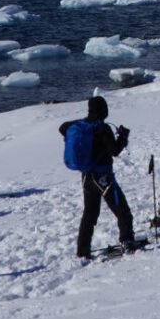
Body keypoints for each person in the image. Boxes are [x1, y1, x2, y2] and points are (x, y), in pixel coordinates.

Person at [59, 95, 137, 259]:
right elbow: (114, 150)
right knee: (123, 211)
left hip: (87, 177)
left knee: (89, 214)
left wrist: (82, 123)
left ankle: (82, 251)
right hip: (102, 177)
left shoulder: (81, 125)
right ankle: (128, 242)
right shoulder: (102, 128)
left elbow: (62, 127)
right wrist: (122, 137)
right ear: (104, 110)